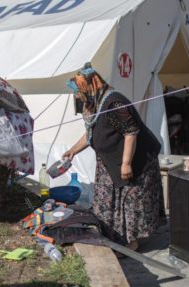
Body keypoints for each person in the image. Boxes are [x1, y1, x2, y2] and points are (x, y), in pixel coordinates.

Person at [62, 63, 165, 251]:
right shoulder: (95, 104)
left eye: (79, 91)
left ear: (91, 85)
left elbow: (131, 132)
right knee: (107, 202)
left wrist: (126, 164)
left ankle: (131, 243)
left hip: (136, 160)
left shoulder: (113, 103)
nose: (78, 96)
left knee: (131, 202)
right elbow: (91, 132)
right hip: (110, 160)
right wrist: (73, 150)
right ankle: (114, 236)